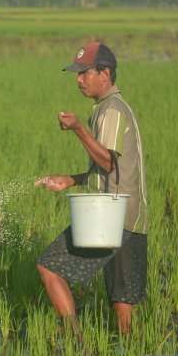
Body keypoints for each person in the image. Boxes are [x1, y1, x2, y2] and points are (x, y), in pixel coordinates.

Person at [34, 41, 148, 335]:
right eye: (77, 74)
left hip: (110, 216)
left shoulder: (111, 110)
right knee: (121, 300)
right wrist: (71, 179)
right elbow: (112, 168)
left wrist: (78, 130)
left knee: (49, 266)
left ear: (106, 73)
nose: (79, 80)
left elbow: (108, 162)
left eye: (85, 73)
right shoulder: (110, 108)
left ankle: (76, 343)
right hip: (132, 216)